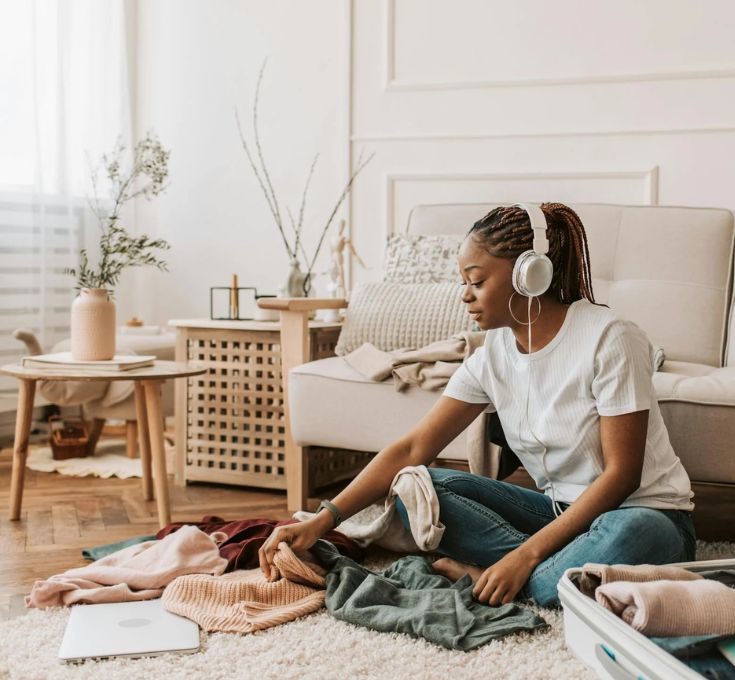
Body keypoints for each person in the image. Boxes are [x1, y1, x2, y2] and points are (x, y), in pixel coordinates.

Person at [258, 202, 696, 607]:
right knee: (421, 488)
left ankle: (513, 577)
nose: (465, 295)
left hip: (643, 515)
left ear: (530, 274)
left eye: (477, 280)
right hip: (557, 517)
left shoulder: (609, 338)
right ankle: (552, 574)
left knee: (635, 532)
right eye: (464, 282)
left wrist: (523, 556)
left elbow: (622, 476)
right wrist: (324, 519)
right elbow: (411, 450)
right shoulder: (492, 355)